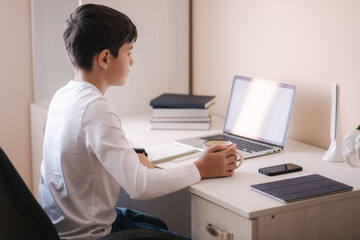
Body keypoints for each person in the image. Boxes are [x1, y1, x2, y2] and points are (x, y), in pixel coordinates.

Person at [38, 3, 237, 240]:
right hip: (90, 235)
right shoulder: (95, 108)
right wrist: (201, 168)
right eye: (128, 51)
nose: (131, 61)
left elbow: (93, 144)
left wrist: (133, 154)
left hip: (62, 227)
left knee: (156, 223)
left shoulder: (63, 95)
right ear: (105, 58)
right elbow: (139, 186)